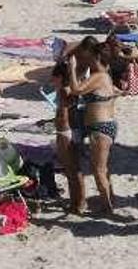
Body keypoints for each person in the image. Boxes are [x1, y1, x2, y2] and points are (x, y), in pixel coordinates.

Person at [66, 41, 118, 214]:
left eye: (87, 57)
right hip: (106, 126)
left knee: (98, 170)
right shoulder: (104, 75)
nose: (85, 61)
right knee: (104, 168)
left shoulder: (99, 77)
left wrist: (72, 68)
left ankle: (106, 207)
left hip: (100, 127)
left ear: (94, 57)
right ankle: (111, 199)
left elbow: (76, 89)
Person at [50, 61, 84, 214]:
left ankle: (76, 204)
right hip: (74, 130)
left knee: (71, 171)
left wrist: (57, 126)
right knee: (75, 170)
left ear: (59, 77)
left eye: (54, 77)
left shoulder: (63, 91)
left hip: (65, 132)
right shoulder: (72, 89)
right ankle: (80, 202)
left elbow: (63, 114)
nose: (52, 80)